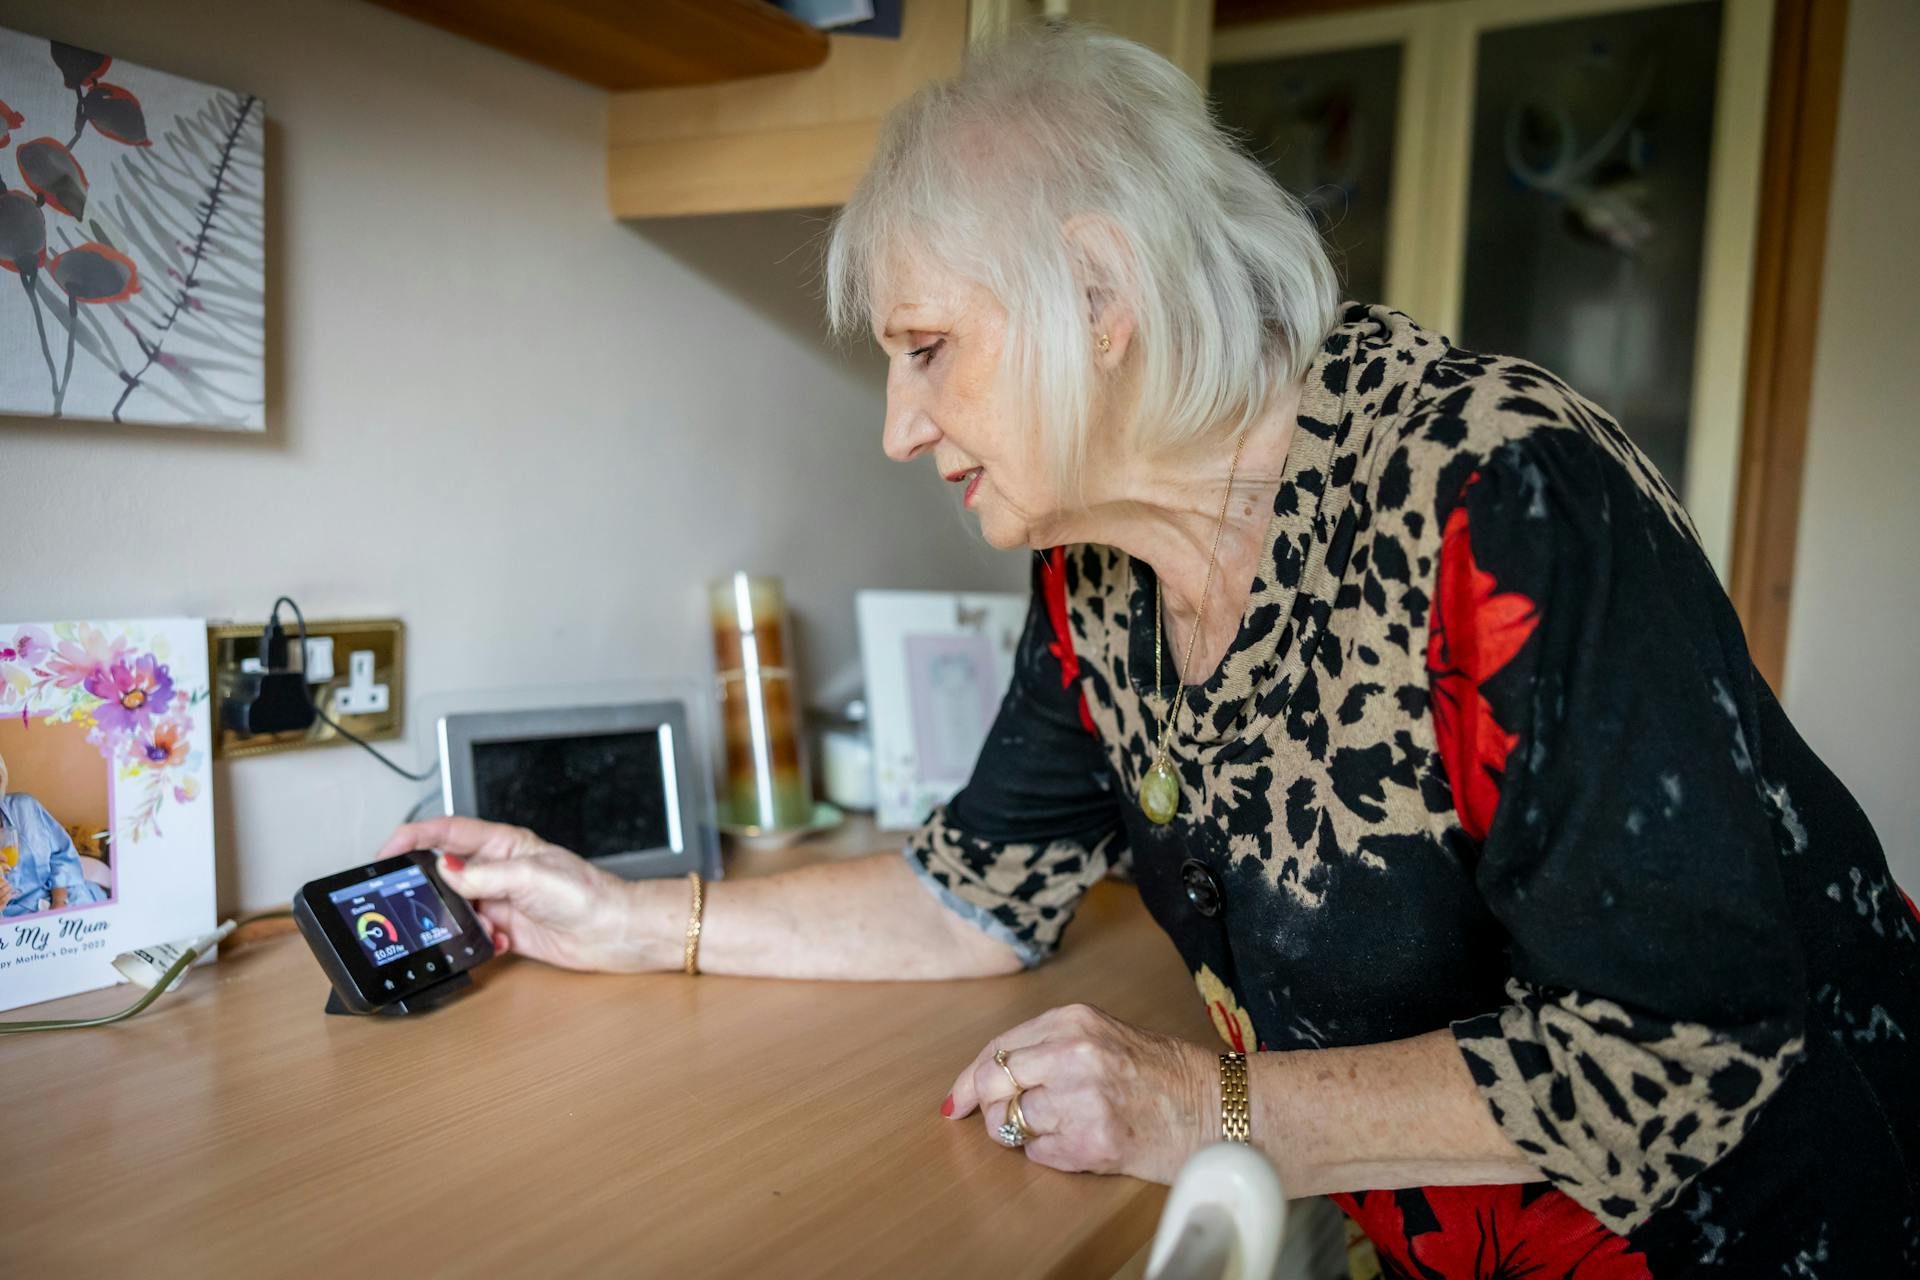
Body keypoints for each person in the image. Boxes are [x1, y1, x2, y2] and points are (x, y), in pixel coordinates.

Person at [377, 28, 1918, 1275]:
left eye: (928, 351)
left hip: (1773, 1227)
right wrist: (637, 921)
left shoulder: (1501, 497)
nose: (903, 427)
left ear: (1100, 294)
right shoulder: (1093, 577)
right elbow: (974, 894)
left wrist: (1210, 1102)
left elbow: (1683, 1050)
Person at [0, 750, 101, 917]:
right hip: (12, 919)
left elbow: (60, 854)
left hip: (59, 895)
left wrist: (59, 902)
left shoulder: (25, 807)